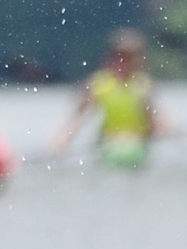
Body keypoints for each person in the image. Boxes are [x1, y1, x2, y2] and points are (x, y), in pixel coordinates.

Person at [51, 28, 161, 167]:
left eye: (135, 57)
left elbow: (157, 120)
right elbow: (76, 119)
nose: (132, 62)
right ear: (114, 57)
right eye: (124, 56)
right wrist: (60, 144)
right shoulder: (99, 84)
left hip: (137, 144)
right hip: (109, 144)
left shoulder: (143, 84)